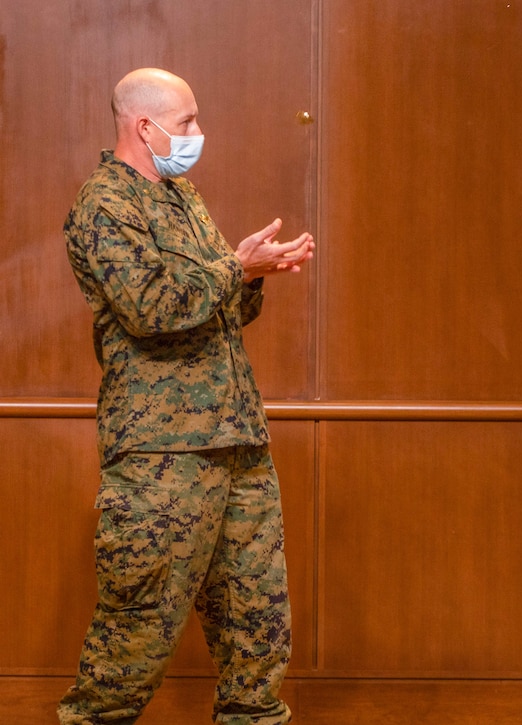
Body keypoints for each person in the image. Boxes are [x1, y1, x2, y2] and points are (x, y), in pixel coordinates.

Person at [59, 68, 315, 724]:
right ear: (144, 126)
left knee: (257, 627)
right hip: (161, 455)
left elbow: (214, 311)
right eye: (189, 120)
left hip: (238, 442)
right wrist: (236, 267)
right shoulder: (104, 203)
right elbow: (150, 307)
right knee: (135, 635)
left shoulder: (183, 198)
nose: (199, 133)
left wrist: (254, 277)